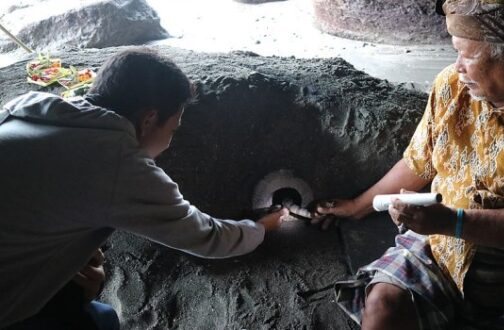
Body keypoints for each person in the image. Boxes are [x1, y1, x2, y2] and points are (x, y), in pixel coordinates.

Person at [313, 0, 504, 329]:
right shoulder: (452, 87)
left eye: (468, 54)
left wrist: (453, 222)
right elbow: (421, 160)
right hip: (442, 252)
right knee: (384, 306)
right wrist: (358, 206)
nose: (457, 66)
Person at [0, 48, 288, 329]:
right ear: (149, 119)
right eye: (173, 129)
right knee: (101, 319)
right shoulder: (115, 162)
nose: (170, 141)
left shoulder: (27, 112)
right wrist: (261, 228)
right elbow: (209, 237)